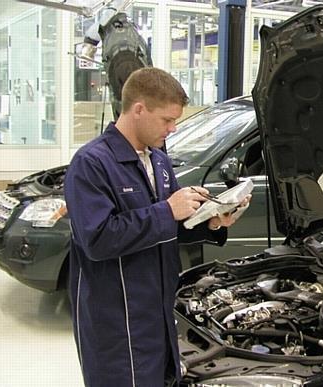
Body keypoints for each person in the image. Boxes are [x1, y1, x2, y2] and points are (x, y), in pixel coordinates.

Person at [64, 67, 249, 386]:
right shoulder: (91, 164)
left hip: (159, 310)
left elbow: (172, 225)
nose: (173, 128)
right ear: (139, 109)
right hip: (117, 321)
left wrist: (213, 221)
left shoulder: (159, 160)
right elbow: (98, 239)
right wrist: (166, 210)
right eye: (167, 120)